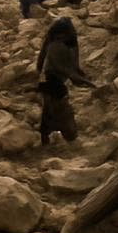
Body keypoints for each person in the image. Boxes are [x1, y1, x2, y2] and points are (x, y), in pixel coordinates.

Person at [35, 16, 95, 144]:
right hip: (53, 79)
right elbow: (48, 61)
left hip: (56, 80)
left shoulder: (68, 40)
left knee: (50, 108)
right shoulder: (53, 43)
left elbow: (72, 65)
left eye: (61, 37)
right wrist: (81, 79)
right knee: (53, 108)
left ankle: (46, 135)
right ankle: (53, 135)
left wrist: (78, 74)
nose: (58, 39)